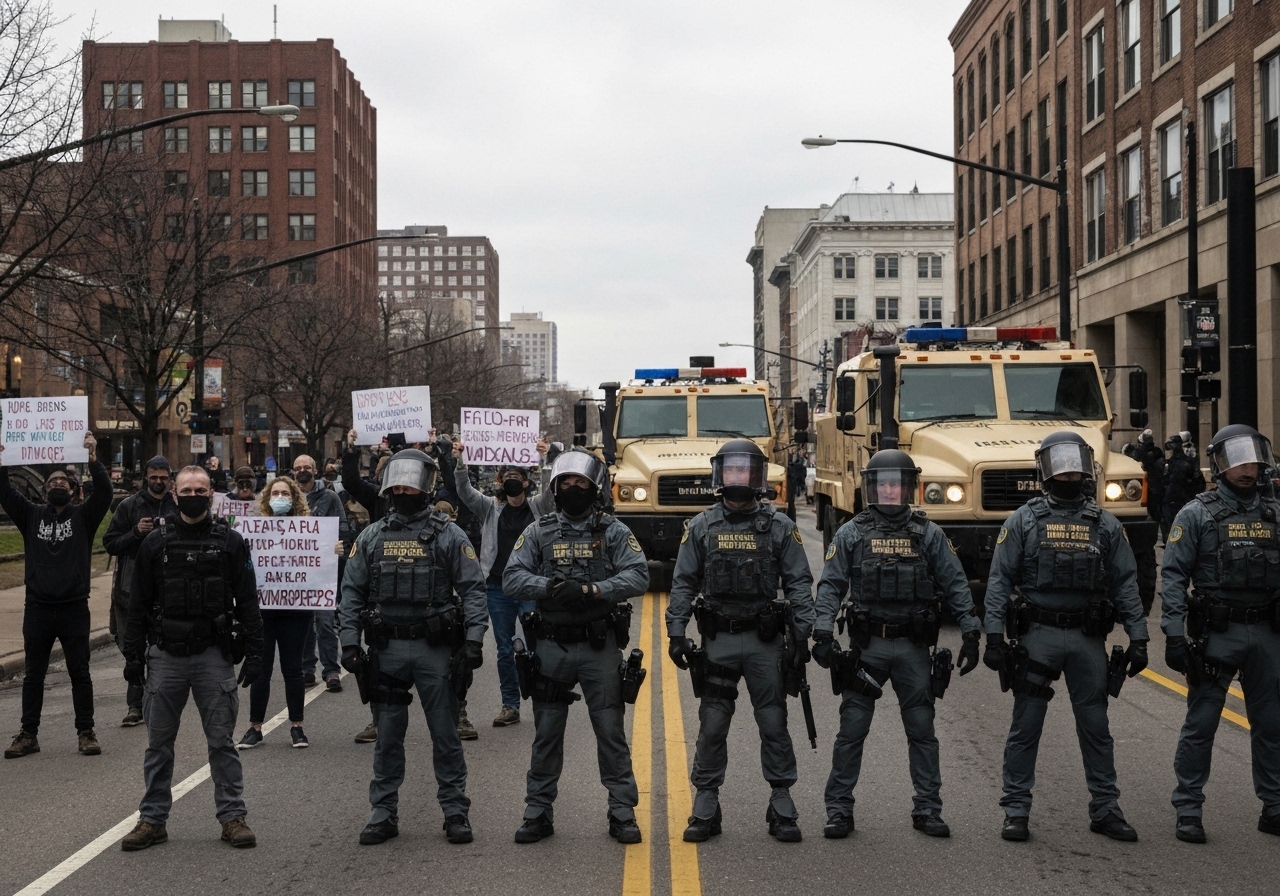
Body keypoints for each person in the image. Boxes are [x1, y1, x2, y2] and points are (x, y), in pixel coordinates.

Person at [982, 431, 1148, 843]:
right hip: (1039, 635)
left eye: (1075, 463)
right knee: (1026, 725)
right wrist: (992, 637)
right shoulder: (1023, 520)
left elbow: (1126, 583)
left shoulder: (1105, 524)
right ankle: (1016, 809)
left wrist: (1139, 636)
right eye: (1061, 463)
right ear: (1044, 468)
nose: (1068, 472)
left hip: (1086, 639)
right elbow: (999, 581)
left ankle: (1106, 808)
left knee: (1095, 726)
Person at [811, 449, 980, 840]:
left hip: (912, 648)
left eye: (896, 483)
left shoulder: (928, 534)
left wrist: (970, 631)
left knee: (922, 729)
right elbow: (831, 585)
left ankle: (928, 808)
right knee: (852, 730)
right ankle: (838, 810)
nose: (889, 490)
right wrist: (821, 632)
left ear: (908, 487)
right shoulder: (852, 532)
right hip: (867, 647)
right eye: (882, 483)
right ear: (872, 487)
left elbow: (955, 583)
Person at [337, 448, 487, 847]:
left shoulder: (449, 534)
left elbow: (473, 590)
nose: (403, 489)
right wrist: (349, 642)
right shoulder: (372, 535)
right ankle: (383, 813)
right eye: (397, 483)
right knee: (387, 737)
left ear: (425, 485)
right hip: (387, 649)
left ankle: (455, 812)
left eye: (410, 482)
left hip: (434, 650)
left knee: (445, 735)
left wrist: (474, 640)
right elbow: (350, 592)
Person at [667, 439, 815, 842]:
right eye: (730, 470)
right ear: (720, 475)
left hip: (765, 643)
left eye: (744, 470)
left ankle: (781, 799)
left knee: (773, 722)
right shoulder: (701, 526)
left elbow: (800, 584)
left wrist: (803, 634)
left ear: (757, 476)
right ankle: (707, 801)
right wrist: (676, 631)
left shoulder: (780, 526)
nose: (737, 476)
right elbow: (682, 583)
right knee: (713, 724)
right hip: (719, 642)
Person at [504, 448, 649, 845]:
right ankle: (537, 811)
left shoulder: (612, 531)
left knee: (610, 732)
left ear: (594, 487)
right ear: (555, 488)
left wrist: (593, 589)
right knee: (547, 733)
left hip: (599, 648)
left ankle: (622, 811)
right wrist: (549, 587)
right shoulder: (539, 531)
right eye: (565, 483)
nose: (572, 488)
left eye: (580, 482)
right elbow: (512, 578)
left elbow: (638, 575)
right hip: (551, 647)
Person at [119, 465, 263, 851]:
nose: (193, 494)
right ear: (175, 493)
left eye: (201, 489)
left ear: (211, 491)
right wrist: (133, 655)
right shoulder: (155, 542)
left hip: (213, 655)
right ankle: (152, 820)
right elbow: (139, 603)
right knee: (158, 745)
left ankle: (232, 817)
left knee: (221, 743)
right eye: (187, 489)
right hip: (165, 655)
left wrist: (256, 651)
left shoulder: (230, 542)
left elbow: (248, 600)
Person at [1160, 424, 1280, 843]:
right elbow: (1173, 577)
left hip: (1266, 631)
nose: (1248, 469)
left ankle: (1274, 805)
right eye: (1238, 460)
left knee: (1271, 723)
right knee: (1203, 721)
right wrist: (1174, 635)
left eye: (1253, 459)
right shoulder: (1196, 513)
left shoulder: (1274, 512)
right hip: (1218, 632)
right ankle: (1188, 808)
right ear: (1220, 464)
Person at [3, 433, 112, 760]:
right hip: (37, 608)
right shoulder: (30, 515)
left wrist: (93, 458)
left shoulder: (83, 517)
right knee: (33, 674)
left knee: (80, 672)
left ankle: (86, 732)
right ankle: (28, 733)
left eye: (64, 480)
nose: (57, 484)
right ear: (44, 489)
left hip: (73, 609)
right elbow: (4, 492)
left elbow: (105, 494)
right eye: (52, 480)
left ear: (74, 488)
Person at [452, 438, 554, 731]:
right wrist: (461, 461)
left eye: (516, 478)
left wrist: (543, 458)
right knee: (504, 649)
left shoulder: (538, 508)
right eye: (506, 477)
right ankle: (510, 705)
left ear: (525, 483)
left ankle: (542, 703)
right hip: (498, 589)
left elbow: (550, 488)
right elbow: (464, 491)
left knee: (534, 645)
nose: (511, 481)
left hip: (532, 587)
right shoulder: (490, 509)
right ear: (499, 482)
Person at [237, 477, 315, 750]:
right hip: (263, 610)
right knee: (261, 669)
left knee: (293, 669)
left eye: (285, 493)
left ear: (294, 498)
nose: (280, 497)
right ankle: (254, 728)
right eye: (275, 493)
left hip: (296, 609)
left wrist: (332, 551)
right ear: (267, 498)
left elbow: (317, 564)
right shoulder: (254, 530)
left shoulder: (309, 530)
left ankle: (297, 727)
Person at [103, 456, 178, 728]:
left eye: (164, 477)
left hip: (166, 591)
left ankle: (157, 701)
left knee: (161, 649)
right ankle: (134, 706)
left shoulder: (177, 505)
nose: (159, 481)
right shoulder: (128, 506)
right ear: (145, 477)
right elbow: (109, 543)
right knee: (131, 649)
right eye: (154, 477)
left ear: (170, 478)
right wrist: (136, 532)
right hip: (129, 591)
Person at [292, 453, 350, 693]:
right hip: (295, 572)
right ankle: (306, 670)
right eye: (298, 468)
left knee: (325, 621)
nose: (302, 470)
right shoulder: (286, 498)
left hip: (323, 570)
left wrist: (338, 550)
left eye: (307, 467)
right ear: (292, 471)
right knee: (303, 623)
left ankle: (331, 670)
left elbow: (343, 529)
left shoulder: (329, 497)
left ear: (315, 471)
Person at [1163, 432, 1205, 543]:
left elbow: (1198, 481)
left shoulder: (1182, 463)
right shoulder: (1174, 462)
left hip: (1179, 500)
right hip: (1182, 500)